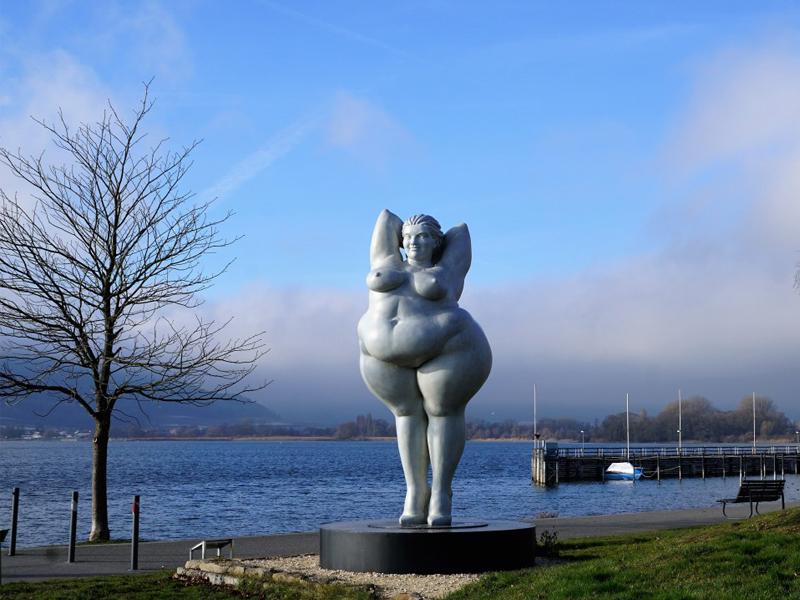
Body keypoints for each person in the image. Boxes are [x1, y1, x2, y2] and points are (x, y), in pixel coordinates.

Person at [357, 209, 492, 526]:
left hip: (451, 346)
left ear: (436, 242)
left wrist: (437, 236)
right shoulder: (386, 261)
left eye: (422, 237)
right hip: (380, 354)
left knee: (442, 412)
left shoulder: (447, 269)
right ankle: (415, 491)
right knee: (406, 415)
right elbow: (386, 218)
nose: (414, 242)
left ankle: (442, 492)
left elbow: (461, 233)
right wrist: (404, 227)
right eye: (408, 237)